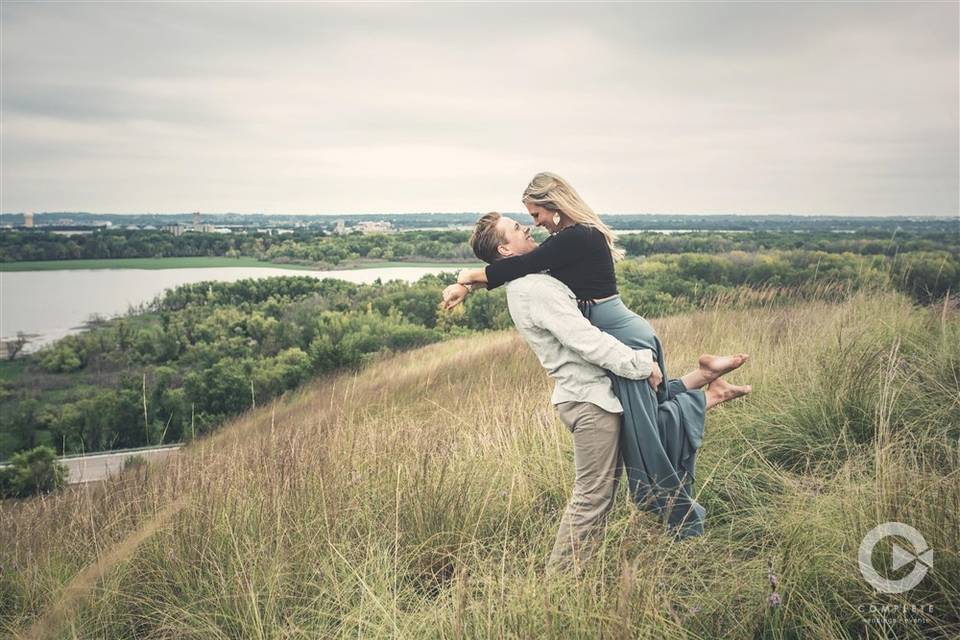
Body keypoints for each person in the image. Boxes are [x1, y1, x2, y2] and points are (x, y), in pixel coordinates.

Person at [445, 174, 751, 538]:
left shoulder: (576, 236)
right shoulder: (565, 242)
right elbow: (517, 268)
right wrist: (466, 286)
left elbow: (516, 267)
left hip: (620, 334)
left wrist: (467, 276)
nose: (533, 223)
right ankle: (705, 382)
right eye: (524, 220)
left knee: (646, 434)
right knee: (648, 417)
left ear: (554, 206)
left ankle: (701, 416)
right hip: (621, 334)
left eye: (534, 213)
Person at [467, 212, 661, 573]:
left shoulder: (532, 279)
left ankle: (578, 578)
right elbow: (584, 340)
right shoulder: (534, 290)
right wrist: (640, 364)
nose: (526, 227)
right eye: (515, 228)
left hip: (592, 398)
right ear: (506, 248)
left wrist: (465, 283)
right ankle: (560, 587)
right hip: (588, 403)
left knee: (599, 497)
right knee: (591, 499)